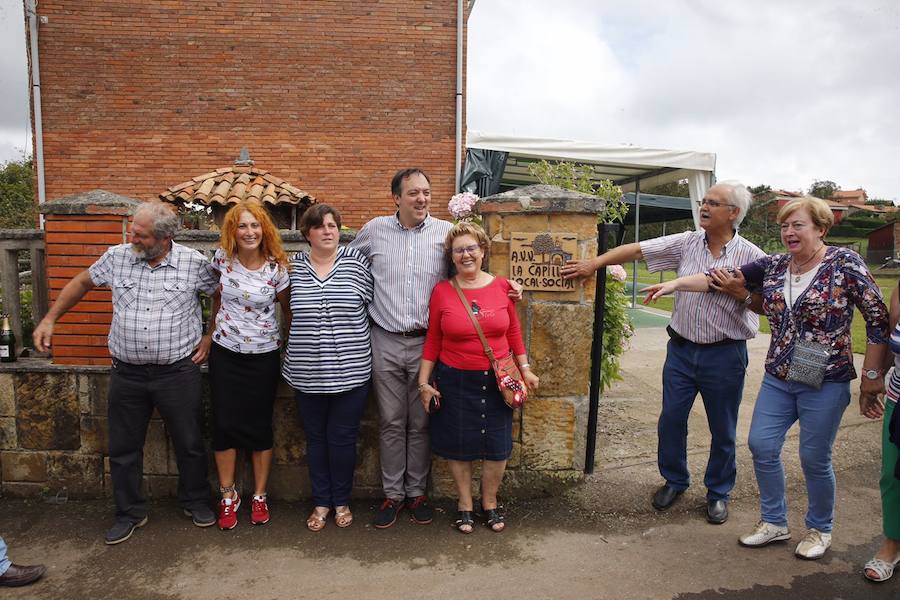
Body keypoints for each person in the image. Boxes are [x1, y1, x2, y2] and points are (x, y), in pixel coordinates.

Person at [644, 195, 889, 559]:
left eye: (798, 225)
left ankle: (819, 528)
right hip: (781, 370)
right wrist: (676, 285)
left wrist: (871, 375)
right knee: (761, 445)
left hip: (825, 372)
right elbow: (718, 279)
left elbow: (877, 317)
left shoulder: (844, 262)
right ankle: (774, 521)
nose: (789, 232)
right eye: (784, 226)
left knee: (813, 456)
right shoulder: (774, 266)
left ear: (821, 229)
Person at [561, 181, 765, 524]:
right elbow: (637, 250)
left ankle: (718, 492)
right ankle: (675, 480)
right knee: (671, 420)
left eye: (714, 203)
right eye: (704, 200)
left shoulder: (753, 256)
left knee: (723, 428)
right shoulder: (687, 242)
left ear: (733, 213)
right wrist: (594, 264)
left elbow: (764, 307)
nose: (704, 206)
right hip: (682, 351)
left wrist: (739, 293)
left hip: (725, 354)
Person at [32, 201, 219, 545]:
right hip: (127, 373)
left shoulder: (194, 264)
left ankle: (195, 501)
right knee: (123, 447)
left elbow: (221, 293)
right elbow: (81, 283)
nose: (132, 238)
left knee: (190, 442)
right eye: (133, 231)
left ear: (164, 239)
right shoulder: (117, 257)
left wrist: (209, 334)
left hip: (177, 372)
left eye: (141, 235)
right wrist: (50, 318)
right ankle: (130, 512)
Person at [418, 223, 539, 533]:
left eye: (471, 248)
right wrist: (424, 382)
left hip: (497, 379)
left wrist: (525, 369)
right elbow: (433, 339)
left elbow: (513, 332)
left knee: (496, 446)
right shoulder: (443, 291)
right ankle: (464, 503)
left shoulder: (502, 287)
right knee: (459, 445)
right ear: (452, 256)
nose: (466, 254)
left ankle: (490, 502)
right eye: (459, 250)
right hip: (454, 378)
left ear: (483, 251)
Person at [349, 168, 452, 528]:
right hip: (385, 340)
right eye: (413, 193)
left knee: (422, 422)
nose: (422, 199)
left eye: (426, 192)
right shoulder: (374, 230)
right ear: (396, 198)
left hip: (428, 344)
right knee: (391, 422)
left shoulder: (445, 233)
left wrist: (505, 286)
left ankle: (416, 493)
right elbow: (344, 263)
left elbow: (472, 267)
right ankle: (392, 495)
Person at [199, 201, 291, 530]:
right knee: (224, 425)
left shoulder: (276, 267)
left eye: (255, 226)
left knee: (259, 426)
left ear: (263, 230)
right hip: (226, 354)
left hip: (264, 356)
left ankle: (259, 495)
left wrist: (292, 345)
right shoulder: (222, 260)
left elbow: (288, 311)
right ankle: (228, 495)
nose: (249, 232)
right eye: (242, 226)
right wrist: (209, 335)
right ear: (232, 232)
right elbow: (216, 298)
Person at [282, 204, 373, 531]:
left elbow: (375, 306)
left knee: (343, 440)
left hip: (351, 370)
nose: (328, 231)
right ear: (308, 233)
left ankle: (342, 500)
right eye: (320, 226)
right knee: (316, 440)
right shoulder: (293, 268)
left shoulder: (357, 263)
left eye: (333, 225)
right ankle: (321, 502)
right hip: (307, 371)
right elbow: (284, 310)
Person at [863, 281, 900, 582]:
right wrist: (872, 380)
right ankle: (893, 545)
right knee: (892, 476)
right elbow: (891, 337)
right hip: (898, 400)